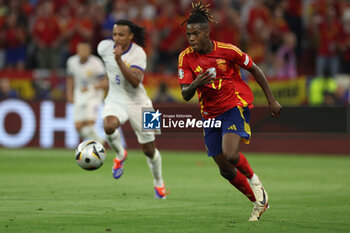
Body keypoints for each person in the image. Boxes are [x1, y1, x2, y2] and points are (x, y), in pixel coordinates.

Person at [178, 2, 282, 221]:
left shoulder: (228, 51)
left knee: (231, 154)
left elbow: (254, 68)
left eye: (196, 33)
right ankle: (258, 201)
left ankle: (255, 181)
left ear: (207, 33)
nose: (192, 38)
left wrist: (271, 100)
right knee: (224, 169)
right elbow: (185, 94)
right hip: (209, 115)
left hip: (234, 106)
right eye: (189, 34)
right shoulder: (185, 58)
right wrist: (197, 82)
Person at [97, 19, 166, 199]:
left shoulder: (139, 53)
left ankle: (158, 183)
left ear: (130, 36)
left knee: (149, 150)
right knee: (108, 126)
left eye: (121, 35)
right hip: (116, 99)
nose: (117, 38)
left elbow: (135, 83)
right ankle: (120, 154)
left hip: (141, 103)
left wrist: (119, 60)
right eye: (114, 34)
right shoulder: (104, 47)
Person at [66, 42, 106, 144]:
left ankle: (97, 145)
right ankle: (99, 141)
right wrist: (69, 93)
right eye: (81, 50)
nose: (83, 52)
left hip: (94, 94)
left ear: (90, 52)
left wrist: (90, 87)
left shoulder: (96, 63)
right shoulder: (71, 62)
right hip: (79, 93)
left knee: (90, 122)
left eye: (85, 50)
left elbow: (105, 82)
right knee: (78, 126)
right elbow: (70, 78)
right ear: (77, 51)